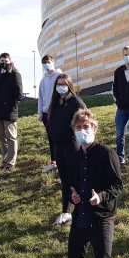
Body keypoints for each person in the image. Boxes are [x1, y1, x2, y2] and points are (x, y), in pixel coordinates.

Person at [60, 108, 123, 258]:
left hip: (102, 215)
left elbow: (117, 186)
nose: (82, 131)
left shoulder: (107, 153)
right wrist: (74, 195)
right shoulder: (74, 155)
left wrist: (102, 197)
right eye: (78, 128)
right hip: (81, 214)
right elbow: (71, 183)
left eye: (86, 127)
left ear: (94, 128)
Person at [47, 73, 86, 226]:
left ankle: (80, 208)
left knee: (75, 178)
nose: (61, 87)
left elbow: (84, 121)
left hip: (72, 146)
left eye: (64, 84)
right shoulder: (55, 102)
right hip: (59, 147)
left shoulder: (76, 102)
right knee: (65, 180)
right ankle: (66, 211)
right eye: (58, 84)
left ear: (69, 86)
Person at [0, 52, 24, 171]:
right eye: (1, 61)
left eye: (5, 61)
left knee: (11, 137)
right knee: (1, 137)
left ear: (10, 60)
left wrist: (9, 101)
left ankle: (11, 162)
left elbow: (19, 94)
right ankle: (5, 159)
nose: (3, 63)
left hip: (9, 111)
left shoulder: (15, 73)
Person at [38, 55, 63, 172]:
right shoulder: (43, 80)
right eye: (44, 63)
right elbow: (41, 98)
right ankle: (54, 162)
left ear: (53, 62)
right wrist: (40, 113)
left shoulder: (59, 76)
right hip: (45, 114)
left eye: (48, 62)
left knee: (59, 137)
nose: (46, 65)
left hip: (56, 113)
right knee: (51, 138)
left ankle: (62, 161)